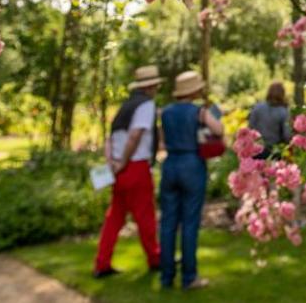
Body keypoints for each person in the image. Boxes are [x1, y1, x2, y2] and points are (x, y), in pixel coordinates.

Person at [93, 65, 162, 278]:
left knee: (114, 217)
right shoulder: (146, 105)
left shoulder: (125, 107)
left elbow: (110, 138)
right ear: (151, 86)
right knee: (145, 216)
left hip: (118, 168)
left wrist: (112, 162)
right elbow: (135, 136)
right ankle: (155, 259)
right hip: (135, 166)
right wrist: (122, 162)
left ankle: (102, 263)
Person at [159, 70, 223, 290]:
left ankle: (166, 277)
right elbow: (220, 130)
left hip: (170, 165)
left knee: (167, 223)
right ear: (195, 90)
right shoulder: (200, 112)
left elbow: (163, 142)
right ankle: (189, 277)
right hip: (192, 164)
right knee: (189, 223)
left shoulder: (165, 113)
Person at [247, 81, 291, 158]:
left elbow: (250, 127)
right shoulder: (283, 112)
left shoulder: (257, 107)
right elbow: (287, 135)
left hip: (256, 150)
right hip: (273, 152)